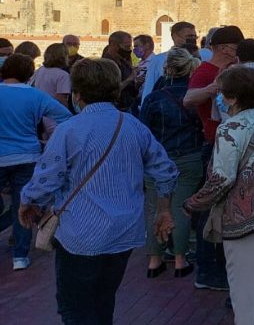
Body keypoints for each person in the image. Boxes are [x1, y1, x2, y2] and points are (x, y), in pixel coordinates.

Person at [19, 58, 177, 324]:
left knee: (75, 307)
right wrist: (163, 209)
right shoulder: (134, 126)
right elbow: (166, 171)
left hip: (81, 232)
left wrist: (28, 201)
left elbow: (48, 178)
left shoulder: (69, 130)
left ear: (78, 94)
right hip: (124, 231)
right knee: (104, 301)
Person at [185, 66, 254, 325]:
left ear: (232, 97)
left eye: (222, 92)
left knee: (243, 288)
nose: (219, 97)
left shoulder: (229, 128)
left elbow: (222, 179)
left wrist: (193, 203)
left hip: (248, 214)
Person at [183, 24, 243, 291]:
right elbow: (189, 99)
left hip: (230, 145)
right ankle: (207, 272)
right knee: (210, 211)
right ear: (223, 48)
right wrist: (214, 87)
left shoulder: (236, 69)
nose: (237, 52)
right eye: (234, 47)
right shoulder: (204, 71)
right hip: (215, 145)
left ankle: (220, 268)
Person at [1, 54, 73, 271]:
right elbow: (66, 117)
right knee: (22, 204)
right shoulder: (36, 96)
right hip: (27, 156)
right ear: (29, 73)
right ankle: (20, 256)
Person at [138, 48, 204, 279]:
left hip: (157, 160)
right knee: (180, 208)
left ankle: (154, 260)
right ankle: (180, 259)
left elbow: (143, 132)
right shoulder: (195, 97)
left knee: (154, 208)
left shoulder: (153, 98)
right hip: (188, 156)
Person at [141, 21, 200, 104]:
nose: (193, 39)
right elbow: (149, 88)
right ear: (176, 37)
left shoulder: (200, 58)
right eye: (189, 36)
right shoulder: (159, 60)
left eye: (195, 36)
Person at [103, 30, 138, 111]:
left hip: (128, 105)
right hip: (115, 108)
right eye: (126, 47)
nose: (129, 50)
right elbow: (111, 90)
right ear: (114, 45)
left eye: (130, 47)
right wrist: (130, 78)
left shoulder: (124, 61)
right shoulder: (106, 64)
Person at [31, 42, 72, 107]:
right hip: (54, 113)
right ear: (63, 57)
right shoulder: (63, 75)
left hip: (39, 110)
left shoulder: (40, 70)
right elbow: (61, 99)